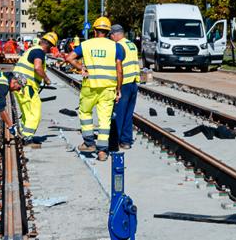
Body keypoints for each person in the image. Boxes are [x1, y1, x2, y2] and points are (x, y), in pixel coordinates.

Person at [66, 16, 123, 161]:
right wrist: (118, 90)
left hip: (90, 86)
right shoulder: (116, 46)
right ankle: (103, 151)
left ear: (95, 30)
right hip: (108, 89)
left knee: (85, 112)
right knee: (105, 120)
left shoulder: (86, 45)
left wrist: (80, 68)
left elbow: (69, 58)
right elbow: (119, 71)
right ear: (109, 32)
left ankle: (89, 143)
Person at [107, 24, 145, 151]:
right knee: (128, 114)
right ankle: (126, 141)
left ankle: (115, 141)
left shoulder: (118, 46)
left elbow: (118, 67)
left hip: (124, 83)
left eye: (111, 36)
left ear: (115, 34)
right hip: (133, 83)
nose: (111, 38)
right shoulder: (132, 44)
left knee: (118, 113)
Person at [12, 35, 53, 144]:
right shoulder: (39, 52)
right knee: (35, 110)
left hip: (19, 84)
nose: (51, 49)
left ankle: (22, 133)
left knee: (27, 112)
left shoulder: (31, 49)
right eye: (51, 46)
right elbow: (37, 67)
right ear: (47, 45)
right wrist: (46, 79)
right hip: (26, 85)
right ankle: (27, 136)